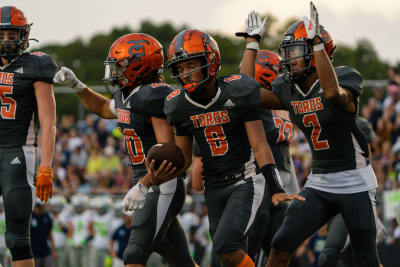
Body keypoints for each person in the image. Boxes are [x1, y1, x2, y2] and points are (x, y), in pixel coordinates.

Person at [238, 3, 380, 267]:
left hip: (355, 181)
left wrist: (316, 43)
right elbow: (246, 93)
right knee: (280, 246)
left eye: (295, 52)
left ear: (316, 53)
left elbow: (331, 94)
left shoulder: (346, 77)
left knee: (366, 259)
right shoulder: (286, 87)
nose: (288, 58)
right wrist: (251, 45)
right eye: (287, 52)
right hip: (320, 182)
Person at [54, 33, 197, 267]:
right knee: (181, 261)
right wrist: (77, 85)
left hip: (162, 183)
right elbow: (101, 107)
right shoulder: (126, 95)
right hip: (149, 182)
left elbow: (168, 155)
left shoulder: (151, 95)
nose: (115, 70)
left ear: (139, 66)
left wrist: (145, 185)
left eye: (120, 64)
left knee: (133, 255)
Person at [164, 29, 304, 267]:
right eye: (179, 68)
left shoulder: (235, 92)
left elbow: (260, 146)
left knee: (225, 246)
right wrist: (152, 179)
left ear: (210, 61)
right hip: (213, 185)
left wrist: (275, 187)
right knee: (229, 254)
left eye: (190, 66)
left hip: (245, 180)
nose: (184, 74)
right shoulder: (178, 106)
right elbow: (185, 160)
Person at [0, 6, 56, 267]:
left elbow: (48, 121)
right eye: (2, 34)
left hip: (18, 152)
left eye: (12, 34)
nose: (6, 40)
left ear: (24, 36)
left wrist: (46, 166)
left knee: (17, 238)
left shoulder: (37, 65)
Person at [242, 50, 299, 266]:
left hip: (271, 180)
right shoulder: (270, 105)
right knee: (261, 243)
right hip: (266, 179)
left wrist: (293, 189)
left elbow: (281, 150)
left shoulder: (274, 104)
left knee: (274, 246)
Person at [30, 199, 56, 267]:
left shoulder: (47, 216)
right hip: (33, 252)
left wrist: (53, 250)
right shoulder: (30, 217)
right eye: (44, 205)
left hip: (46, 250)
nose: (45, 207)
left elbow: (50, 234)